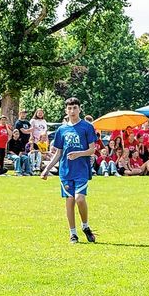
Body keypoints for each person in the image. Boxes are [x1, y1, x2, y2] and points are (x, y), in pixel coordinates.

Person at [40, 97, 98, 244]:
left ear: (80, 109)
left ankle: (85, 226)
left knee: (80, 198)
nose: (72, 111)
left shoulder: (87, 127)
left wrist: (79, 154)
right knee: (70, 200)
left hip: (81, 170)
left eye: (75, 108)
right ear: (66, 110)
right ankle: (73, 234)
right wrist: (47, 169)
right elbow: (58, 153)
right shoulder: (62, 130)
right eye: (69, 108)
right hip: (65, 171)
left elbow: (92, 149)